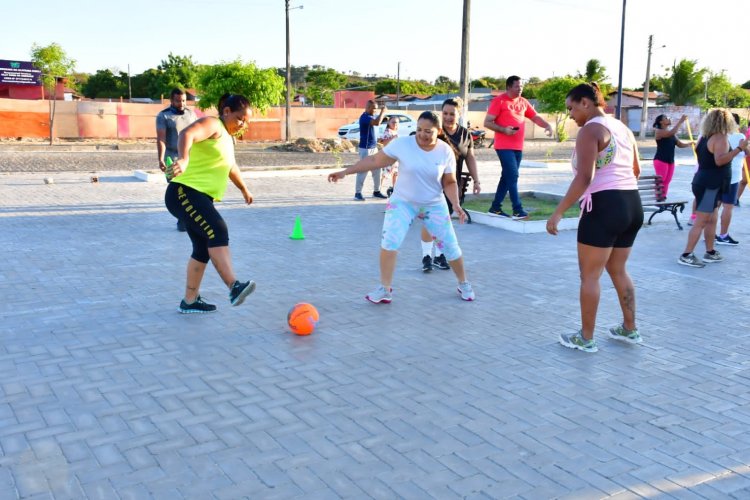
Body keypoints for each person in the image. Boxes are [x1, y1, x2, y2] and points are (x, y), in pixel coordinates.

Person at [328, 111, 475, 303]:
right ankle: (385, 288)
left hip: (433, 204)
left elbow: (449, 182)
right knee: (389, 242)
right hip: (403, 203)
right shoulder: (403, 144)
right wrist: (345, 172)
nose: (422, 135)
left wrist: (455, 204)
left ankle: (463, 283)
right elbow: (374, 160)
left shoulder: (445, 151)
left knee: (450, 246)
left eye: (428, 131)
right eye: (419, 130)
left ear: (438, 131)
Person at [547, 82, 643, 354]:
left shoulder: (591, 130)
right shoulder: (622, 128)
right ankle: (629, 328)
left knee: (589, 276)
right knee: (618, 269)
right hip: (632, 204)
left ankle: (585, 338)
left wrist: (559, 211)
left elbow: (585, 177)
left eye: (571, 108)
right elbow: (635, 169)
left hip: (604, 206)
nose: (571, 116)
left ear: (585, 103)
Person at [164, 93, 256, 314]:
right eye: (240, 118)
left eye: (247, 121)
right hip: (185, 192)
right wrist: (184, 159)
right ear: (226, 112)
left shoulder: (226, 137)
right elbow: (187, 133)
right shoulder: (214, 124)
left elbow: (230, 167)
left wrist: (244, 189)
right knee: (217, 230)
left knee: (203, 249)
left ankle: (190, 300)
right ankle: (234, 287)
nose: (243, 124)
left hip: (197, 196)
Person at [678, 109, 748, 268]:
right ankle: (686, 254)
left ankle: (710, 251)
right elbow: (720, 161)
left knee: (712, 219)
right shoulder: (721, 138)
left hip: (706, 182)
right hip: (711, 185)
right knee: (702, 221)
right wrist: (739, 149)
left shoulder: (704, 137)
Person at [420, 98, 481, 272]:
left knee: (444, 221)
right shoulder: (435, 131)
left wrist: (476, 180)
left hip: (452, 184)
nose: (448, 117)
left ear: (459, 114)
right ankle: (426, 255)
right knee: (429, 221)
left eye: (452, 114)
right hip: (431, 184)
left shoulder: (464, 134)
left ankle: (440, 256)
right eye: (445, 113)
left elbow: (470, 157)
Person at [484, 76, 553, 219]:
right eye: (517, 86)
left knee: (507, 177)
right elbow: (487, 122)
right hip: (503, 146)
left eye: (521, 86)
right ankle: (517, 209)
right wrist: (504, 130)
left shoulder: (523, 102)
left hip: (518, 147)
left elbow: (535, 117)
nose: (520, 89)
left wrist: (547, 125)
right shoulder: (499, 101)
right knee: (513, 176)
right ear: (508, 87)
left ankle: (495, 208)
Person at [157, 88, 198, 232]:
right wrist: (160, 158)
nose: (181, 103)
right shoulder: (164, 116)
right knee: (178, 189)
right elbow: (161, 139)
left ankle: (188, 217)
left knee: (191, 188)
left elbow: (197, 134)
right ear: (171, 100)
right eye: (178, 100)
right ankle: (182, 218)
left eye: (184, 100)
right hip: (172, 158)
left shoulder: (191, 114)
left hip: (189, 157)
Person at [715, 114, 746, 245]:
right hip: (733, 176)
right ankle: (723, 235)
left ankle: (709, 233)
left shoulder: (714, 136)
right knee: (728, 207)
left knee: (714, 206)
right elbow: (744, 153)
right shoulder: (740, 137)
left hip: (716, 175)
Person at [652, 114, 693, 198]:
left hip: (670, 160)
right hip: (660, 160)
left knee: (667, 181)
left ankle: (663, 198)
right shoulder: (659, 131)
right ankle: (658, 198)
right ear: (661, 122)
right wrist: (681, 121)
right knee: (661, 181)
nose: (668, 119)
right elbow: (671, 133)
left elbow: (680, 144)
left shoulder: (671, 133)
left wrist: (689, 144)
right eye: (666, 118)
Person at [354, 100, 388, 201]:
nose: (375, 111)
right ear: (368, 108)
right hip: (366, 148)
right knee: (363, 170)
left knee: (378, 169)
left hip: (373, 148)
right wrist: (383, 112)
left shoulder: (371, 116)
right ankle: (357, 193)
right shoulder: (365, 117)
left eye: (376, 109)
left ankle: (376, 191)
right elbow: (377, 123)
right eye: (374, 109)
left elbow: (378, 121)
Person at [380, 116, 399, 197]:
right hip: (388, 156)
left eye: (397, 122)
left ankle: (395, 190)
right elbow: (384, 143)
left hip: (395, 156)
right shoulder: (387, 131)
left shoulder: (395, 131)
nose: (395, 124)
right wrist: (392, 138)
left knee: (395, 174)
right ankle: (378, 190)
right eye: (393, 122)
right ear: (389, 123)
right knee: (385, 174)